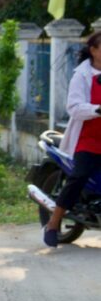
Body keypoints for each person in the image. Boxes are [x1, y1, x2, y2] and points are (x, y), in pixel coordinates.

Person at [43, 30, 101, 247]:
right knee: (78, 178)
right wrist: (98, 109)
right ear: (93, 50)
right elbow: (74, 107)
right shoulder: (82, 75)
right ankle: (53, 222)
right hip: (87, 139)